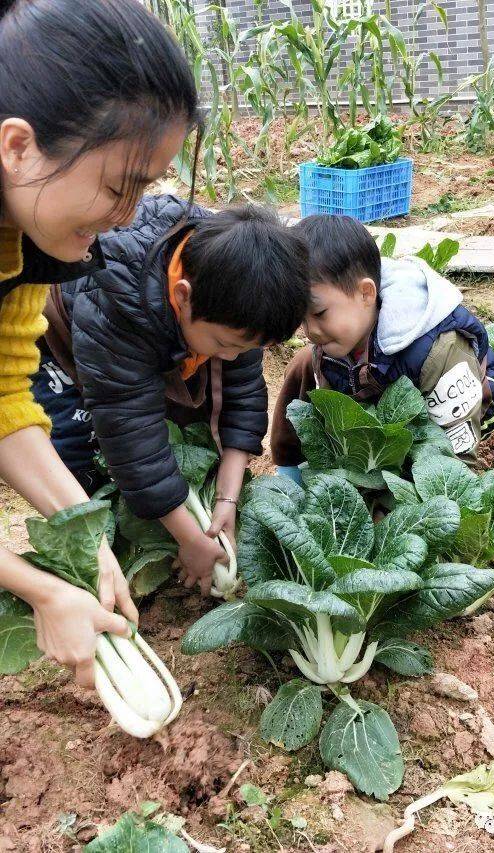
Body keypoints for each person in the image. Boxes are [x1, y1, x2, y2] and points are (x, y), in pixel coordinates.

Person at [0, 0, 200, 686]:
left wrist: (84, 534)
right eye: (120, 187)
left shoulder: (28, 233)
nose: (130, 216)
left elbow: (3, 396)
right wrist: (41, 588)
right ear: (18, 145)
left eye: (146, 190)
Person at [33, 197, 310, 593]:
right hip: (66, 335)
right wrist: (190, 538)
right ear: (183, 296)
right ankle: (99, 569)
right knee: (79, 453)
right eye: (225, 343)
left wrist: (227, 501)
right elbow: (131, 433)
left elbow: (242, 397)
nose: (233, 356)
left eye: (246, 348)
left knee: (195, 420)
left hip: (157, 328)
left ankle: (169, 524)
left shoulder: (238, 292)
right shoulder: (119, 305)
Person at [271, 215, 494, 477]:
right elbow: (333, 410)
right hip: (379, 393)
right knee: (303, 362)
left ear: (366, 294)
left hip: (467, 400)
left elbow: (456, 460)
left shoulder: (437, 350)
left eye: (318, 314)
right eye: (301, 318)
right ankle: (290, 472)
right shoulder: (337, 333)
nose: (310, 330)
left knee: (418, 466)